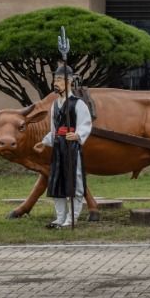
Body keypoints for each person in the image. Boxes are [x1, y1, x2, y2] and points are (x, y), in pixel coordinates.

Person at [33, 65, 93, 228]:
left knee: (74, 180)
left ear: (69, 81)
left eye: (59, 80)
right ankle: (60, 218)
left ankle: (72, 218)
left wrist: (78, 135)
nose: (56, 83)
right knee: (57, 181)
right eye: (55, 79)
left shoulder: (78, 104)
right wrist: (45, 142)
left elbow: (85, 124)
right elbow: (54, 128)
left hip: (71, 148)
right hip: (59, 147)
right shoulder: (55, 105)